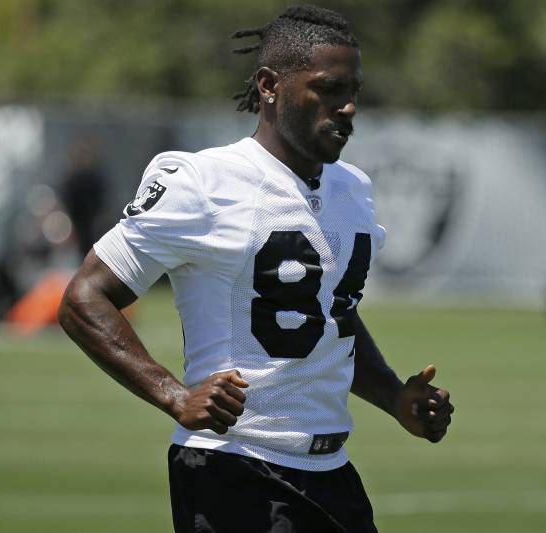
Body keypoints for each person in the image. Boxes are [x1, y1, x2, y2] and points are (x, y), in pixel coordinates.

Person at [58, 5, 453, 532]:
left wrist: (393, 397)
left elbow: (327, 317)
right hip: (234, 469)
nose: (349, 107)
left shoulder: (351, 190)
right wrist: (174, 394)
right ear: (270, 85)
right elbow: (85, 297)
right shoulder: (203, 182)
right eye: (329, 89)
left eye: (354, 90)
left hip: (331, 473)